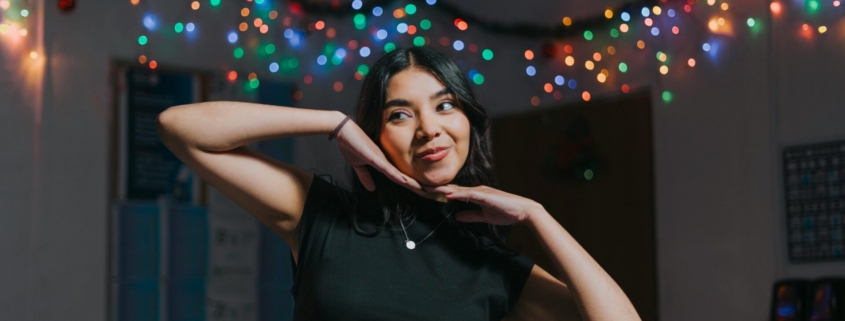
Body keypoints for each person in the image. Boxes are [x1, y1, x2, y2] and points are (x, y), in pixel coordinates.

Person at [156, 46, 640, 320]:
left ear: (469, 121)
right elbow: (182, 128)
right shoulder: (325, 216)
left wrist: (538, 214)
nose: (430, 128)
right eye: (401, 114)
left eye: (445, 105)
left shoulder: (494, 269)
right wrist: (332, 122)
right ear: (376, 137)